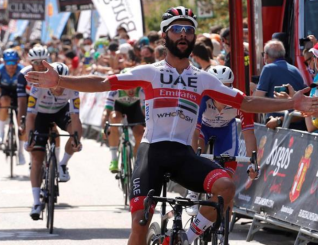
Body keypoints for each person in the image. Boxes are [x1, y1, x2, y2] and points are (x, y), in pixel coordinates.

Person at [24, 6, 318, 244]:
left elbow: (247, 103)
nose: (184, 34)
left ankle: (185, 240)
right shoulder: (149, 72)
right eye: (177, 29)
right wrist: (60, 81)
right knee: (140, 225)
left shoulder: (203, 79)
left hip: (182, 155)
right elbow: (102, 82)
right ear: (165, 36)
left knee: (226, 186)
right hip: (151, 153)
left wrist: (291, 105)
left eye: (189, 30)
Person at [187, 65, 258, 216]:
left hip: (226, 131)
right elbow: (195, 131)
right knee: (197, 149)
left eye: (226, 87)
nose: (221, 91)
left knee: (227, 180)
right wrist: (191, 158)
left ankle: (221, 220)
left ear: (231, 86)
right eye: (217, 87)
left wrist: (253, 162)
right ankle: (192, 192)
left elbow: (249, 133)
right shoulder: (202, 98)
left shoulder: (240, 99)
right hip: (204, 129)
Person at [24, 62, 82, 220]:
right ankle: (36, 202)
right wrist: (29, 137)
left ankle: (62, 164)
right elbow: (30, 116)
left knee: (76, 131)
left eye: (61, 83)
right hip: (40, 116)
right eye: (55, 83)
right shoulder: (37, 87)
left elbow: (75, 117)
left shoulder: (72, 88)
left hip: (60, 112)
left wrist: (75, 138)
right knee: (36, 157)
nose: (58, 88)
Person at [253, 40, 307, 130]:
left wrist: (254, 88)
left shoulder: (268, 68)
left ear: (266, 55)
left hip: (278, 126)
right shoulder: (295, 70)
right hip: (299, 125)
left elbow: (257, 100)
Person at [101, 69, 145, 173]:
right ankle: (114, 159)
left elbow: (145, 111)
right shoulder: (115, 89)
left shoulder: (141, 90)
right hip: (118, 108)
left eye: (133, 86)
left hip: (135, 109)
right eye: (127, 86)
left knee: (140, 134)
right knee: (114, 119)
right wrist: (104, 127)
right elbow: (106, 112)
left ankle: (137, 161)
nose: (131, 91)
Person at [0, 49, 26, 164]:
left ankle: (21, 152)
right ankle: (1, 132)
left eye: (14, 62)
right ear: (4, 62)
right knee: (4, 101)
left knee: (21, 122)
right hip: (5, 92)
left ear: (17, 62)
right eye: (8, 63)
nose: (11, 66)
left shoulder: (22, 71)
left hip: (20, 94)